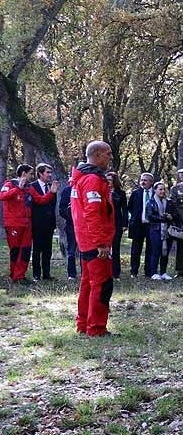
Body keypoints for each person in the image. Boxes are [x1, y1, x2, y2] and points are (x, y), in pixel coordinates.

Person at [71, 141, 116, 337]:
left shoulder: (80, 179)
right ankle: (96, 328)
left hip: (85, 239)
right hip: (94, 241)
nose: (110, 157)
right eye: (108, 154)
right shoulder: (91, 180)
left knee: (88, 283)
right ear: (97, 155)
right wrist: (101, 243)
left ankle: (83, 324)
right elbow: (93, 213)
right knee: (102, 284)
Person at [2, 163, 57, 284]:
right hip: (13, 224)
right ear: (23, 173)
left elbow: (39, 200)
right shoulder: (9, 184)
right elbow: (2, 196)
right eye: (31, 174)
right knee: (15, 250)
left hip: (27, 225)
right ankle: (14, 276)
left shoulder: (29, 187)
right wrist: (17, 189)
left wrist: (51, 193)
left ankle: (20, 276)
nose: (32, 176)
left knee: (26, 251)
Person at [146, 181, 180, 280]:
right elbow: (149, 216)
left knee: (165, 252)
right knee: (155, 251)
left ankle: (163, 272)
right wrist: (163, 218)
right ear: (155, 190)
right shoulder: (151, 202)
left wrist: (171, 216)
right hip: (156, 230)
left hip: (167, 231)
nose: (162, 191)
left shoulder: (169, 202)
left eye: (163, 189)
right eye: (160, 189)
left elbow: (175, 215)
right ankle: (153, 272)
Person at [30, 164, 59, 281]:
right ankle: (36, 275)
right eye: (47, 172)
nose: (50, 175)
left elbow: (52, 205)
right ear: (40, 173)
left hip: (49, 224)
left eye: (50, 172)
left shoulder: (51, 187)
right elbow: (36, 203)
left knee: (48, 250)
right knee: (37, 250)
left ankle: (46, 275)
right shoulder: (32, 186)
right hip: (37, 223)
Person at [126, 173, 155, 278]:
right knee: (136, 249)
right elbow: (130, 207)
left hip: (151, 225)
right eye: (142, 180)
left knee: (150, 249)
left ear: (151, 182)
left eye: (145, 180)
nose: (143, 182)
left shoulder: (155, 193)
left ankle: (148, 272)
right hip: (138, 225)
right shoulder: (136, 193)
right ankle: (134, 271)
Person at [107, 173, 128, 279]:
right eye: (107, 179)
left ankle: (116, 273)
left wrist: (125, 224)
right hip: (105, 223)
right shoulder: (102, 191)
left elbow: (124, 209)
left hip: (117, 223)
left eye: (110, 180)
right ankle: (106, 271)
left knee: (115, 248)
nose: (108, 181)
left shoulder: (121, 193)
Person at [57, 179, 78, 280]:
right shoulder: (67, 191)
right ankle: (71, 275)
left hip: (85, 226)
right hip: (71, 225)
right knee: (71, 250)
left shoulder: (85, 188)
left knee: (85, 251)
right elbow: (62, 209)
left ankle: (86, 273)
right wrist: (71, 216)